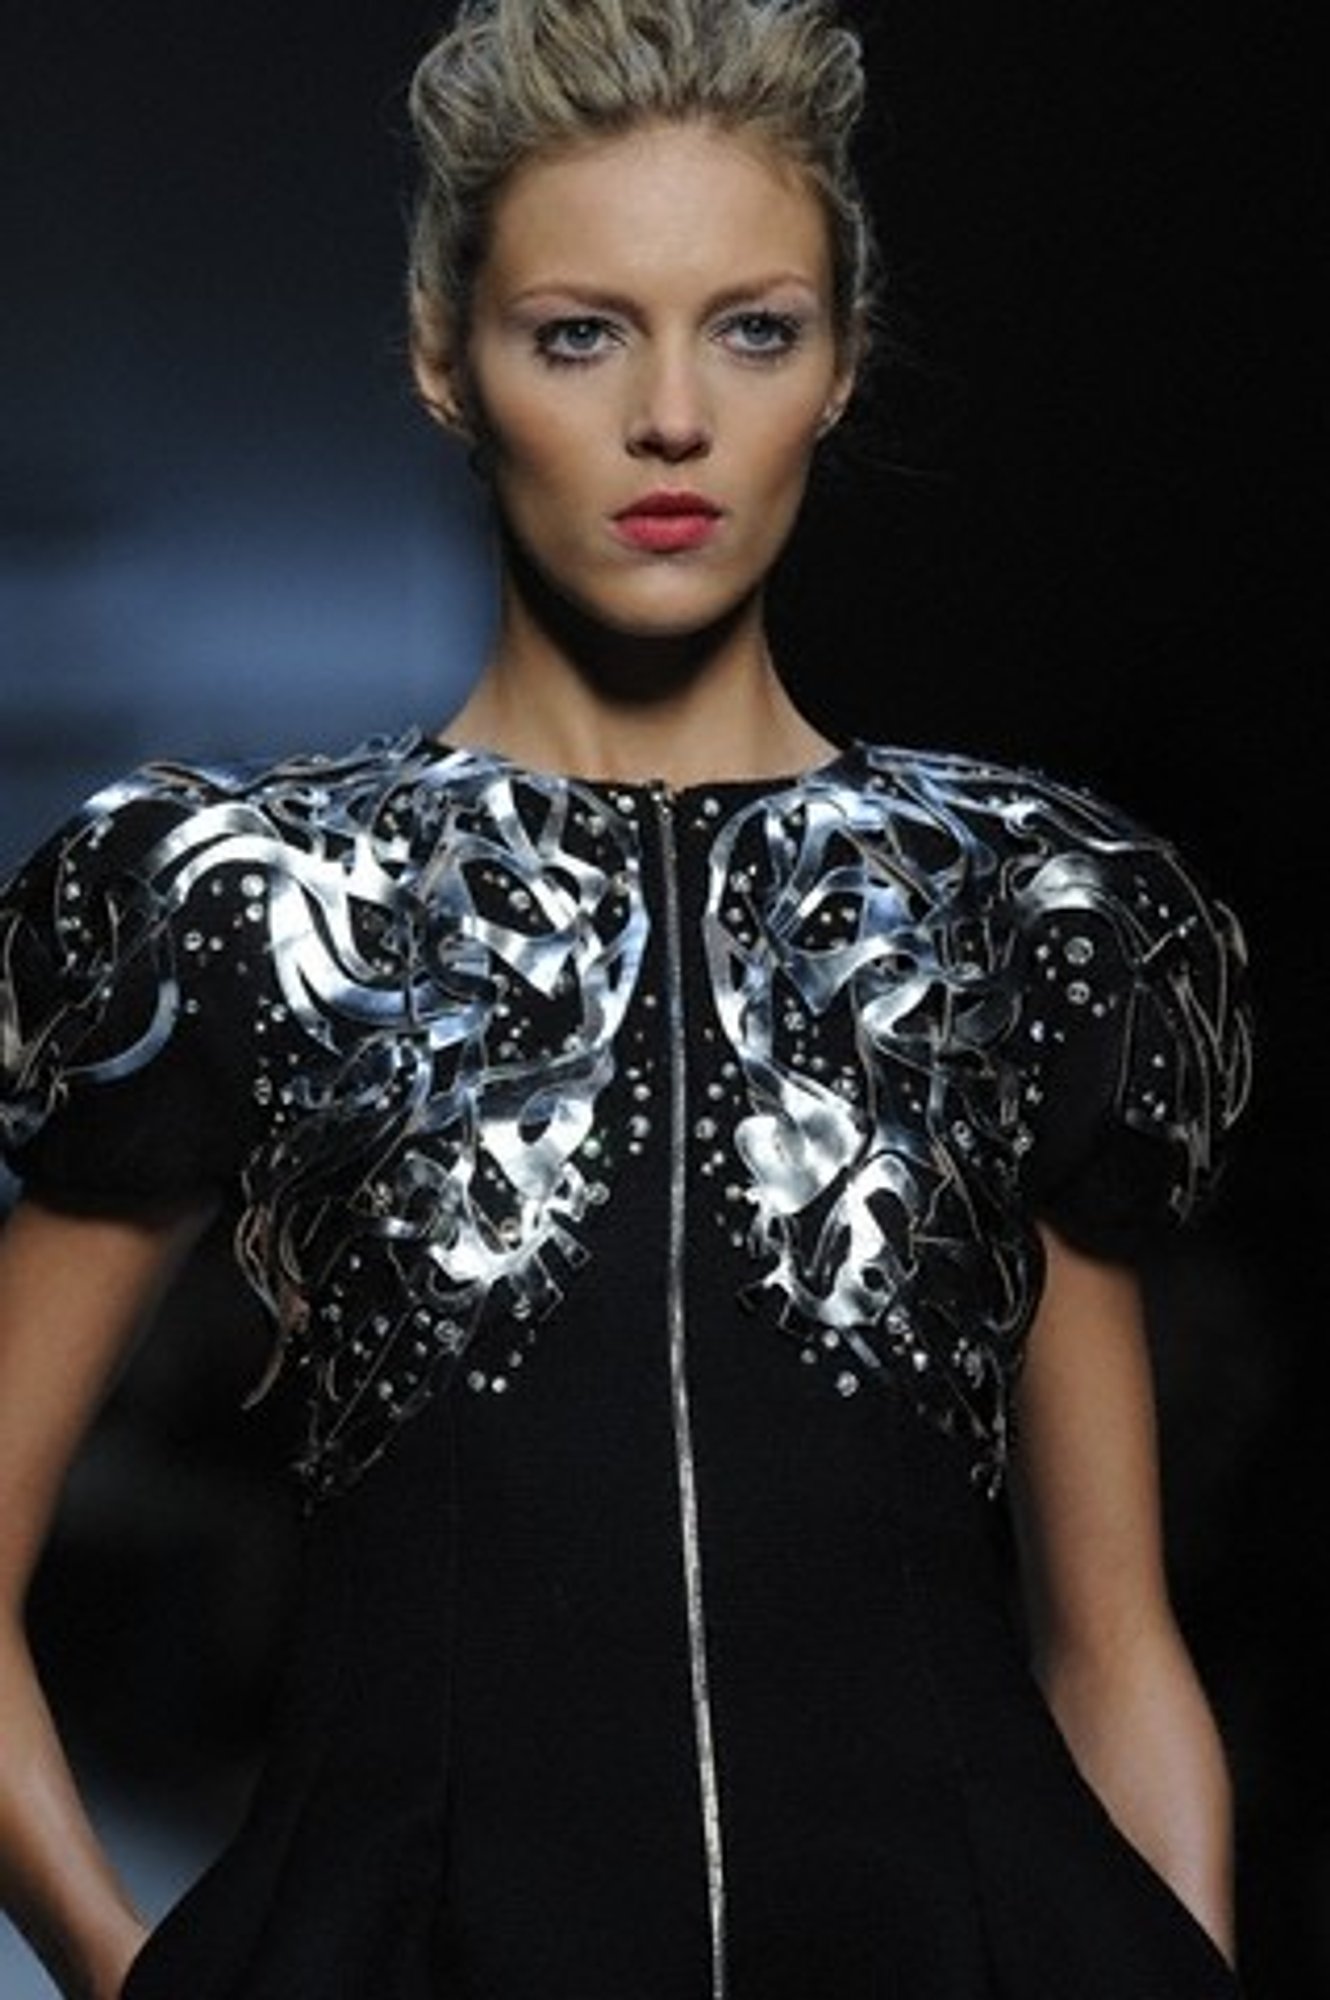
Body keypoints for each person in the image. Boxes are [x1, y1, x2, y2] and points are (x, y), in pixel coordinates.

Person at [0, 2, 1253, 1995]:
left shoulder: (1027, 910)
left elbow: (1108, 1642)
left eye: (750, 329)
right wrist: (127, 1971)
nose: (672, 418)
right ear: (445, 358)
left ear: (839, 364)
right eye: (578, 332)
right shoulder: (241, 906)